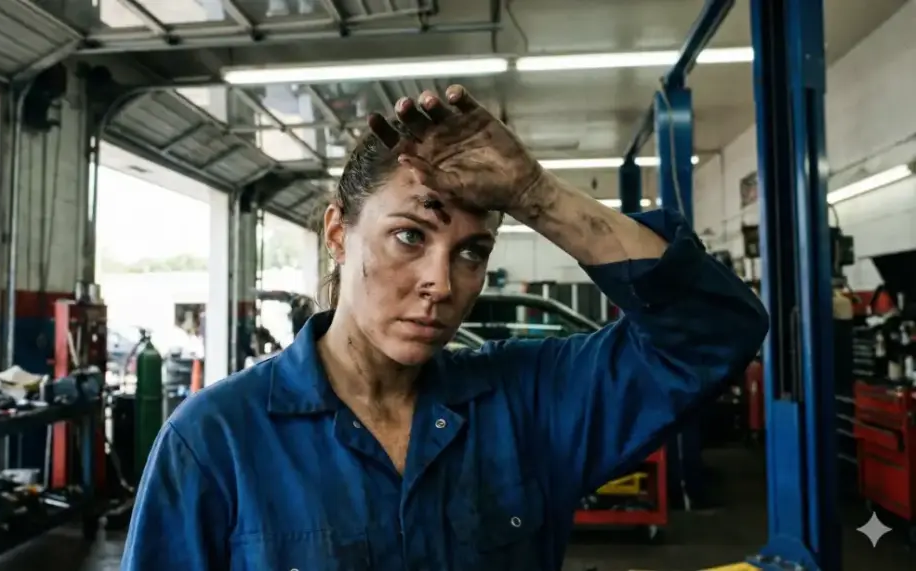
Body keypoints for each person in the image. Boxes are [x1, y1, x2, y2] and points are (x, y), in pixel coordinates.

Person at [121, 85, 768, 570]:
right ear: (338, 233)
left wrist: (537, 194)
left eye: (471, 251)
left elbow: (712, 329)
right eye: (410, 235)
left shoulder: (525, 405)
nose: (442, 281)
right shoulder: (213, 443)